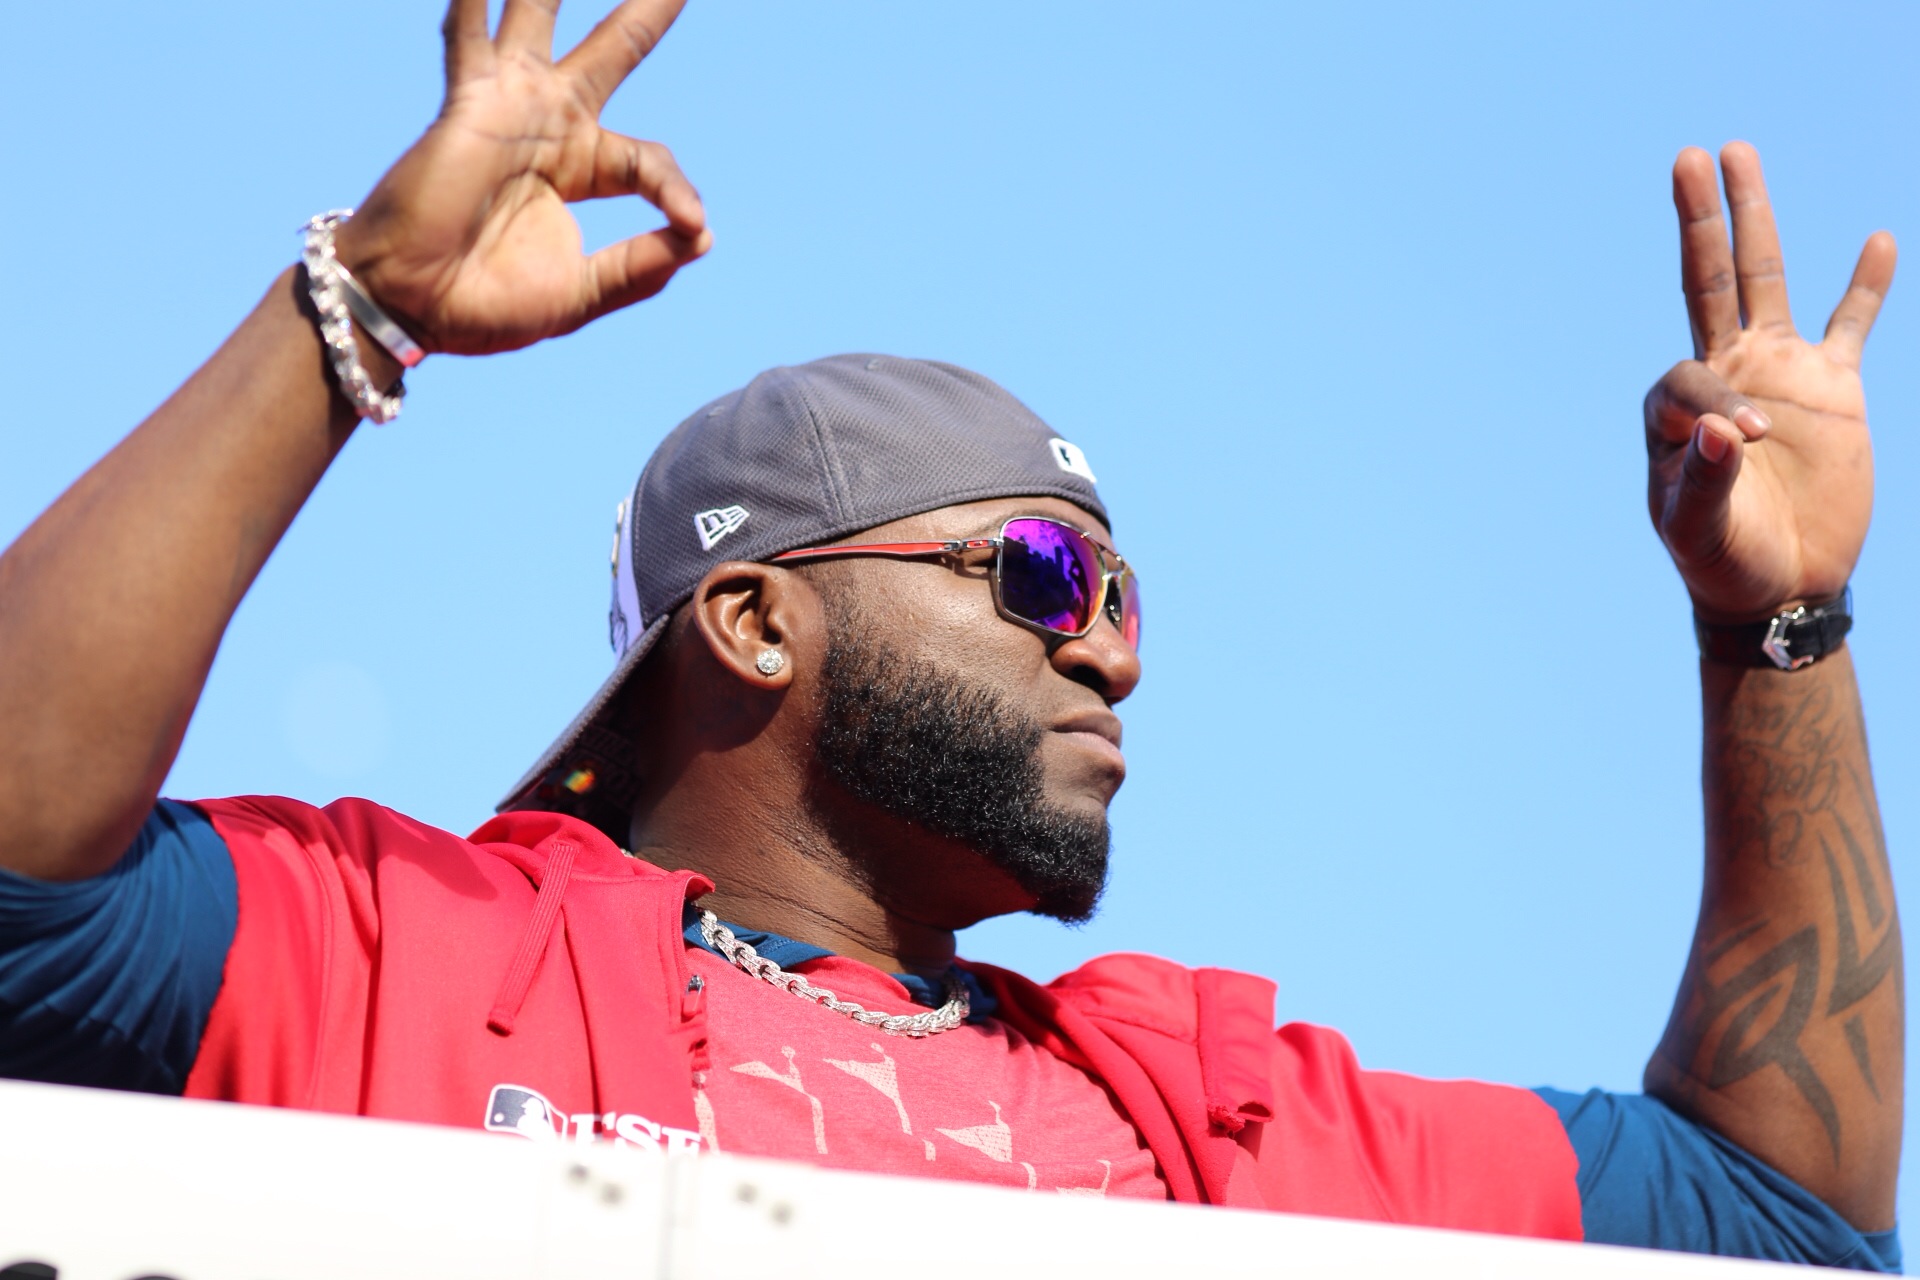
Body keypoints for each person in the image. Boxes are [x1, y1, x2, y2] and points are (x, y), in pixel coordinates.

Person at [0, 0, 1902, 1267]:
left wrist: (1778, 628)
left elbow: (1778, 1210)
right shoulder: (395, 959)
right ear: (756, 624)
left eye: (1127, 601)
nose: (1114, 656)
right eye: (1046, 581)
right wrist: (354, 308)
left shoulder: (1203, 1116)